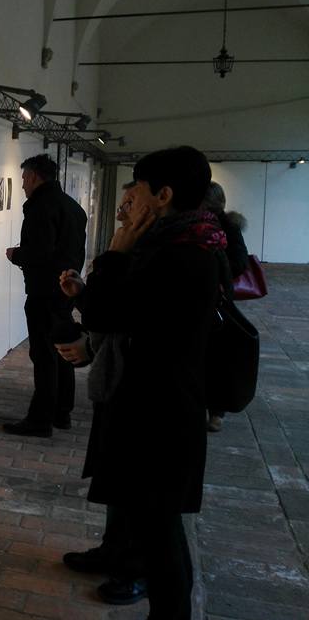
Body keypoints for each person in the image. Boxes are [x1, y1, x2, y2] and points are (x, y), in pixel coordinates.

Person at [62, 146, 223, 619]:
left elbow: (108, 313)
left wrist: (114, 255)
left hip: (160, 411)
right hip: (160, 403)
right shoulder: (190, 244)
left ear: (163, 195)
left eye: (139, 189)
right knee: (155, 524)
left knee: (160, 531)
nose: (130, 199)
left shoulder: (179, 254)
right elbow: (128, 313)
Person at [56, 182, 147, 606]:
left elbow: (121, 317)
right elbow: (111, 313)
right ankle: (115, 551)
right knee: (117, 476)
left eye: (130, 203)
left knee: (138, 485)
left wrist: (113, 259)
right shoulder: (141, 253)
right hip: (118, 381)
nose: (121, 212)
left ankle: (136, 568)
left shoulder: (163, 257)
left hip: (143, 390)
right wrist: (84, 297)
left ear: (161, 199)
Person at [4, 154, 87, 437]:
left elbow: (40, 253)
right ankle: (62, 413)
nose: (23, 185)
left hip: (44, 292)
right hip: (65, 289)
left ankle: (40, 420)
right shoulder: (73, 207)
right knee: (63, 350)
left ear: (35, 176)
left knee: (43, 354)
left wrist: (16, 255)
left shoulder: (41, 207)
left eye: (24, 179)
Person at [201, 181, 249, 432]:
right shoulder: (196, 223)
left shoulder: (227, 226)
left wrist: (214, 269)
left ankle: (216, 411)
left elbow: (240, 262)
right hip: (207, 299)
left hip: (217, 301)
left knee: (216, 356)